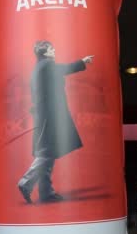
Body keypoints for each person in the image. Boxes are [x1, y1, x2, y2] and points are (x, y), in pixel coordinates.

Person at [17, 40, 94, 204]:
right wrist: (83, 61)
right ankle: (26, 182)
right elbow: (64, 69)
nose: (54, 50)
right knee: (46, 151)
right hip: (50, 115)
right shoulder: (47, 65)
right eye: (51, 48)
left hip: (45, 114)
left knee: (49, 152)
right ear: (45, 52)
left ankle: (46, 193)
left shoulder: (39, 68)